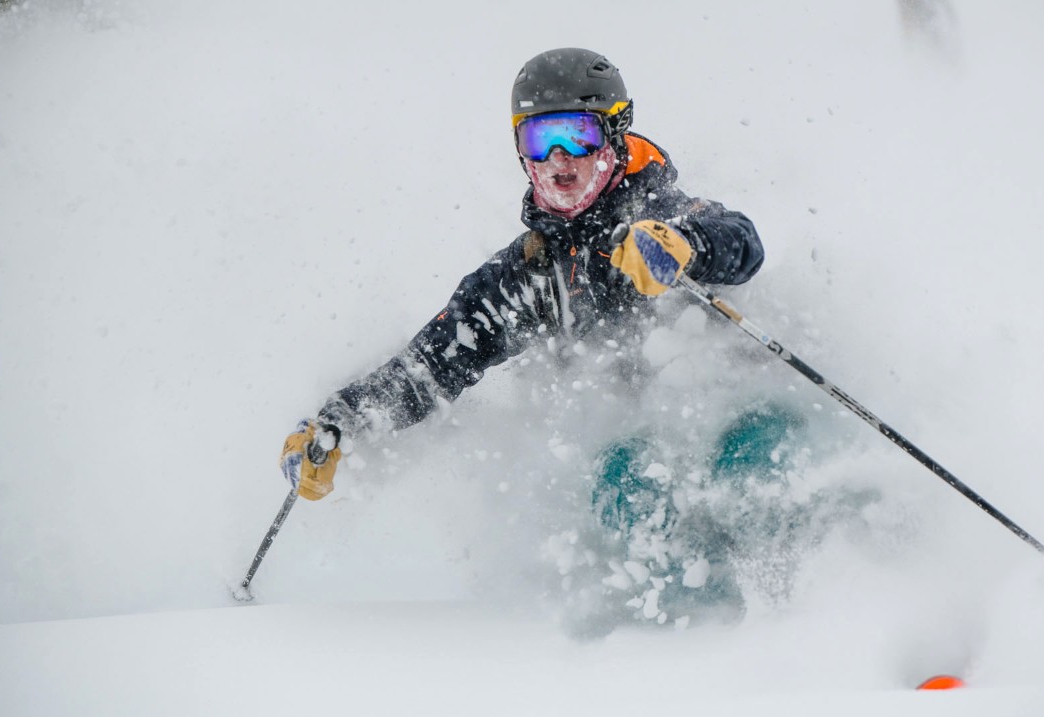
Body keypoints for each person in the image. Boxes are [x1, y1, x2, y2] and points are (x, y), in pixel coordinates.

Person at [279, 48, 764, 509]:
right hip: (636, 442)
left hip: (725, 412)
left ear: (613, 135)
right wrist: (338, 424)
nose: (558, 159)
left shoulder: (657, 213)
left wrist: (689, 245)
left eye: (577, 135)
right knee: (627, 479)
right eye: (538, 139)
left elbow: (742, 244)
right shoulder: (529, 274)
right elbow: (431, 366)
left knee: (754, 456)